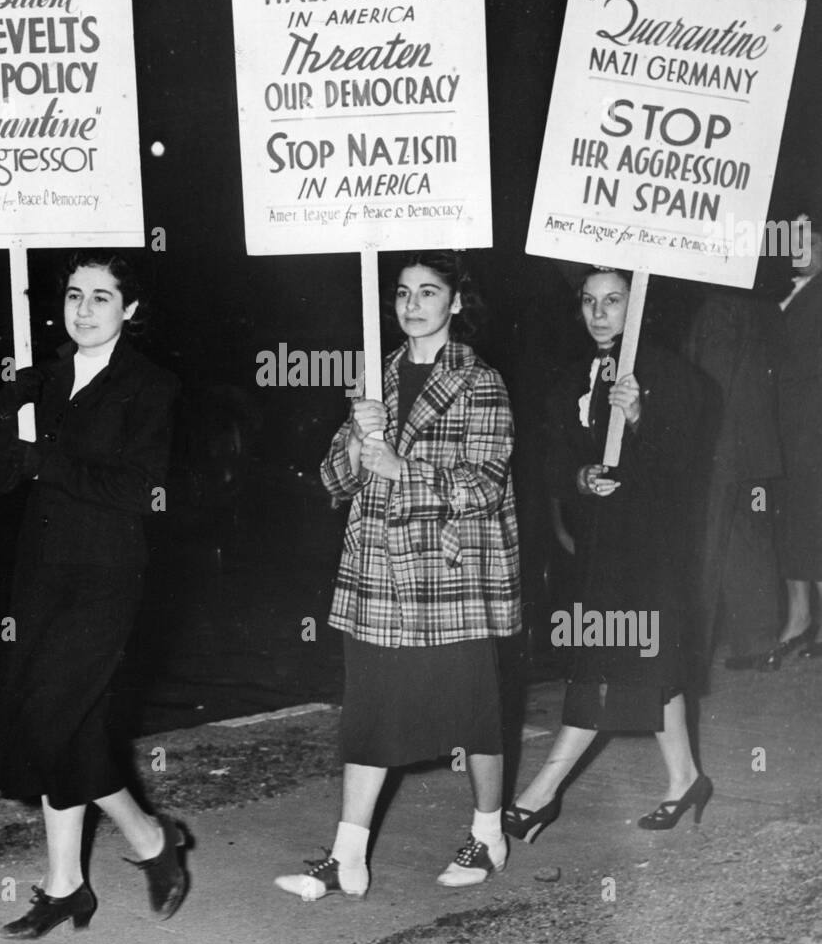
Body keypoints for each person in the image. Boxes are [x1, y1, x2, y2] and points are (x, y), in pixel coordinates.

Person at [275, 250, 521, 900]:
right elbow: (332, 478)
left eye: (428, 291)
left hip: (451, 574)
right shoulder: (374, 375)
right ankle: (348, 858)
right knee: (369, 711)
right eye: (403, 292)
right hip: (377, 573)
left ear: (455, 302)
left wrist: (398, 470)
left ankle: (487, 832)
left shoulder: (480, 381)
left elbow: (486, 484)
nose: (412, 305)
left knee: (472, 714)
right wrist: (357, 446)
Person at [0, 250, 186, 937]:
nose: (84, 309)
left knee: (48, 718)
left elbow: (138, 490)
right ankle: (67, 883)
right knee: (75, 725)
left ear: (128, 310)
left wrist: (50, 461)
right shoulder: (42, 381)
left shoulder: (150, 387)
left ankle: (150, 838)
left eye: (101, 297)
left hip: (105, 575)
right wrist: (10, 414)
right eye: (74, 295)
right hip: (41, 572)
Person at [505, 267, 711, 842]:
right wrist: (580, 475)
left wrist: (642, 416)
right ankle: (686, 778)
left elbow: (689, 467)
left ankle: (541, 794)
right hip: (600, 547)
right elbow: (551, 459)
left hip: (651, 551)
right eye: (590, 302)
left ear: (636, 304)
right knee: (647, 660)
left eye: (613, 300)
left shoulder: (671, 373)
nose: (599, 313)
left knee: (603, 663)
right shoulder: (572, 378)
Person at [681, 286, 784, 675]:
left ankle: (692, 659)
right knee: (749, 543)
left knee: (706, 545)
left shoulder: (720, 305)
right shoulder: (763, 304)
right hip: (756, 451)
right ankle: (757, 643)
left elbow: (711, 381)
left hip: (722, 446)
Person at [771, 215, 822, 665]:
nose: (795, 248)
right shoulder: (790, 293)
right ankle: (801, 619)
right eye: (791, 240)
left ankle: (805, 623)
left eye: (806, 241)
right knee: (795, 520)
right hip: (791, 426)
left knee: (813, 517)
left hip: (813, 426)